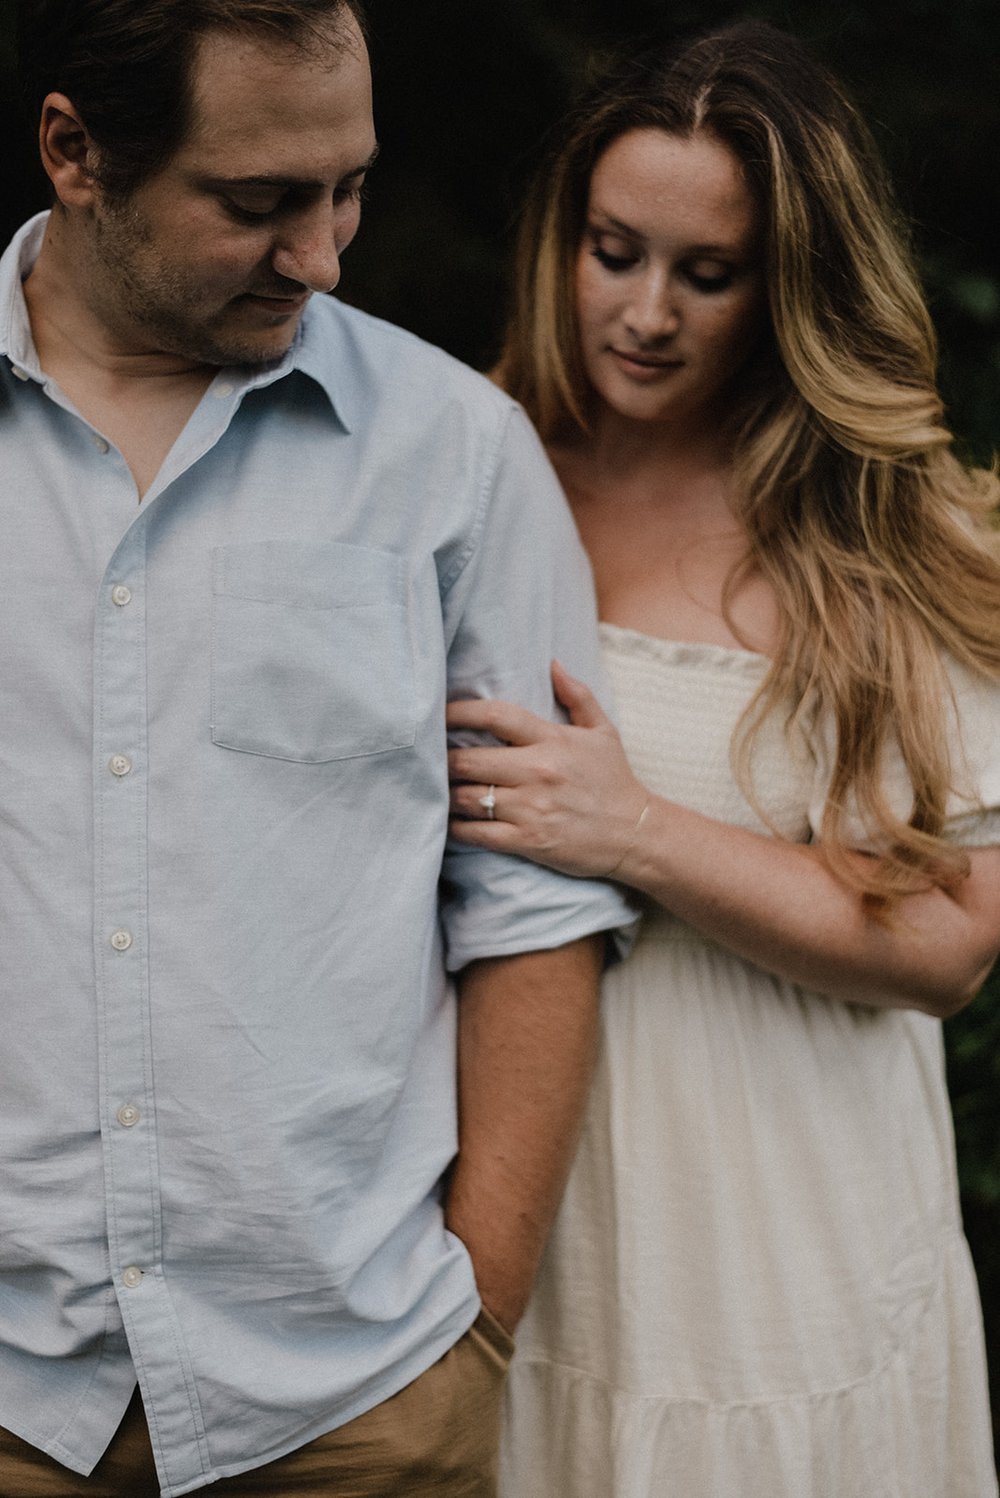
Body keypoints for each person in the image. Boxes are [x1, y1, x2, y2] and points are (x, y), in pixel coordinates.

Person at [0, 2, 635, 1495]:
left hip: (355, 1406)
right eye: (261, 203)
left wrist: (475, 1320)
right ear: (75, 151)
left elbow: (534, 903)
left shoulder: (457, 454)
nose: (324, 254)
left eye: (347, 188)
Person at [446, 21, 1000, 1498]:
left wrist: (636, 833)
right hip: (523, 1214)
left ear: (792, 286)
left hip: (788, 1231)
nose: (645, 312)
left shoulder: (891, 536)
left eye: (708, 273)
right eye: (614, 250)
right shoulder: (463, 468)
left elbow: (951, 945)